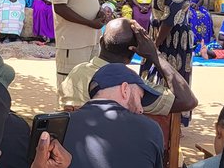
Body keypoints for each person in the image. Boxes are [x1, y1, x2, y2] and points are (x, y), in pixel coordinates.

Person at [60, 18, 197, 116]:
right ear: (134, 52)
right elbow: (188, 101)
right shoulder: (133, 86)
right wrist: (155, 56)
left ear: (101, 42)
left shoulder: (76, 72)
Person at [147, 0, 194, 115]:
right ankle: (167, 119)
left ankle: (169, 121)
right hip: (170, 36)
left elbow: (169, 19)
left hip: (170, 39)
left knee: (169, 77)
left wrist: (155, 44)